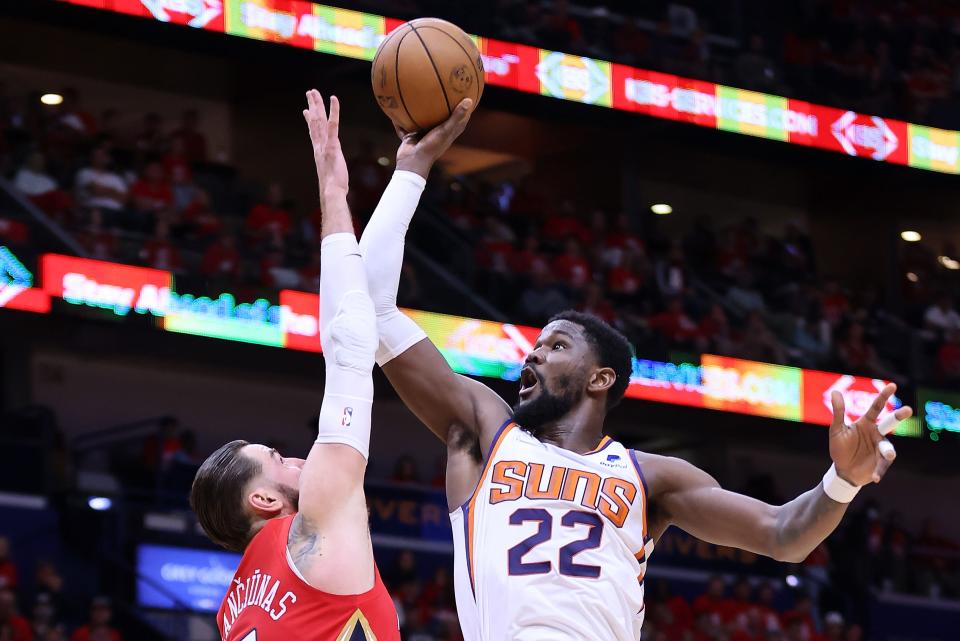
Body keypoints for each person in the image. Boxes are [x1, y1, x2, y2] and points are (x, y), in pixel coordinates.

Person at [349, 96, 911, 641]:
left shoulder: (652, 477)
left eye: (557, 345)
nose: (534, 354)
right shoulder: (485, 431)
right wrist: (413, 168)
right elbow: (371, 307)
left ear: (601, 378)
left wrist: (843, 481)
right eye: (536, 346)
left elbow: (783, 533)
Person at [189, 90, 464, 640]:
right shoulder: (307, 530)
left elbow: (362, 326)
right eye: (276, 459)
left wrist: (396, 174)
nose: (295, 458)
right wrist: (334, 189)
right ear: (263, 500)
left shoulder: (232, 612)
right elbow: (351, 338)